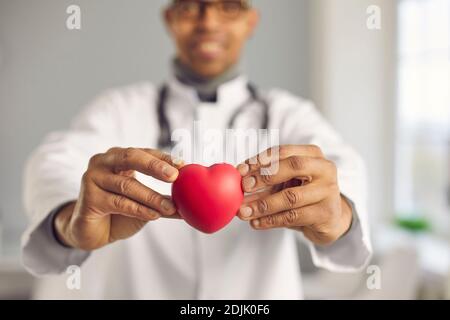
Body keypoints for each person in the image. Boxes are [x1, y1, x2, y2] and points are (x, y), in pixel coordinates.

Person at [22, 0, 371, 299]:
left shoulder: (289, 114)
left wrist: (337, 212)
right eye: (192, 7)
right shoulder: (118, 109)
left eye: (229, 7)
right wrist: (71, 220)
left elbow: (343, 166)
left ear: (250, 22)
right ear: (170, 19)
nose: (208, 22)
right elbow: (53, 161)